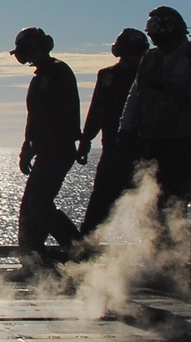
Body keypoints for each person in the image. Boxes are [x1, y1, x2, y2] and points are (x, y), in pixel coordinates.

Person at [118, 6, 191, 264]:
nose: (158, 44)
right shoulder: (150, 59)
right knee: (150, 206)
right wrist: (125, 129)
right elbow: (135, 95)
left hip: (183, 144)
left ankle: (189, 260)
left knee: (172, 206)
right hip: (150, 142)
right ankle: (160, 260)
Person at [10, 27, 82, 268]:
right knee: (31, 204)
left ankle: (77, 250)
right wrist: (27, 149)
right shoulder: (40, 78)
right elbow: (34, 119)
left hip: (58, 150)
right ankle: (33, 256)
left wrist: (42, 144)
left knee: (38, 203)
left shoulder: (59, 72)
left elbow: (62, 116)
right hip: (45, 151)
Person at [76, 29, 148, 235]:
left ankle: (156, 256)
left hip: (141, 153)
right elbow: (96, 111)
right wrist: (86, 140)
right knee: (99, 206)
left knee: (147, 209)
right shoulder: (108, 76)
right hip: (114, 152)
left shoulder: (148, 78)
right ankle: (85, 253)